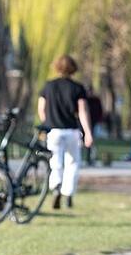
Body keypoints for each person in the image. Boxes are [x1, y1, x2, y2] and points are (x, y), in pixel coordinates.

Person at [38, 54, 93, 210]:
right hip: (71, 131)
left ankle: (56, 187)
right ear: (73, 69)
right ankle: (68, 193)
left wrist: (46, 124)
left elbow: (41, 108)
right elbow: (82, 112)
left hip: (53, 131)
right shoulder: (77, 88)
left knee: (55, 161)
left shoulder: (48, 86)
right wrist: (88, 133)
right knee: (73, 163)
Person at [85, 87, 104, 166]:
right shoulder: (85, 100)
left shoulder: (96, 100)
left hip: (94, 123)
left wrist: (100, 121)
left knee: (92, 142)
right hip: (86, 123)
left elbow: (100, 111)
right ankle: (87, 158)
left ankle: (91, 158)